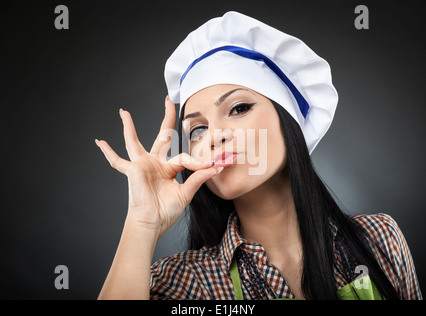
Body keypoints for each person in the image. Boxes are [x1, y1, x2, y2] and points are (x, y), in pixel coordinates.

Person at [95, 11, 422, 300]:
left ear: (287, 120)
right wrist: (142, 222)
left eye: (238, 108)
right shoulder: (187, 283)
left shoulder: (378, 239)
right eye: (197, 130)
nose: (214, 136)